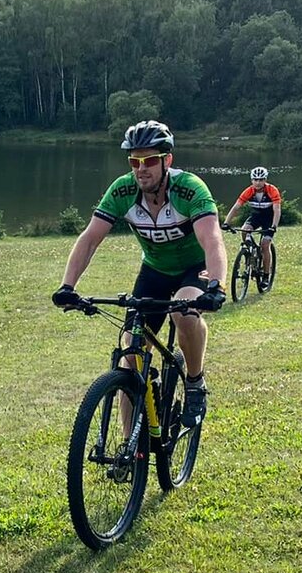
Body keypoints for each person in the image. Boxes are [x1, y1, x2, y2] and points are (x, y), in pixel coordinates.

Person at [52, 120, 227, 427]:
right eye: (134, 162)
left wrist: (217, 285)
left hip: (194, 269)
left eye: (149, 161)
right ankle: (129, 447)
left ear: (167, 160)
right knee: (130, 356)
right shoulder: (123, 190)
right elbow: (90, 238)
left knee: (184, 314)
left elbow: (212, 240)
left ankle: (195, 382)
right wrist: (67, 286)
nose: (141, 169)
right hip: (154, 270)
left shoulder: (189, 189)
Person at [223, 166, 281, 281]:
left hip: (269, 219)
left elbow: (277, 209)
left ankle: (266, 275)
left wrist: (274, 226)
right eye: (255, 180)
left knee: (265, 245)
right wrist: (226, 223)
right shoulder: (249, 191)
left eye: (261, 180)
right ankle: (251, 255)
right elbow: (236, 207)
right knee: (245, 230)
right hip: (256, 216)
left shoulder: (272, 190)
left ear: (265, 180)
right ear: (251, 180)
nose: (258, 182)